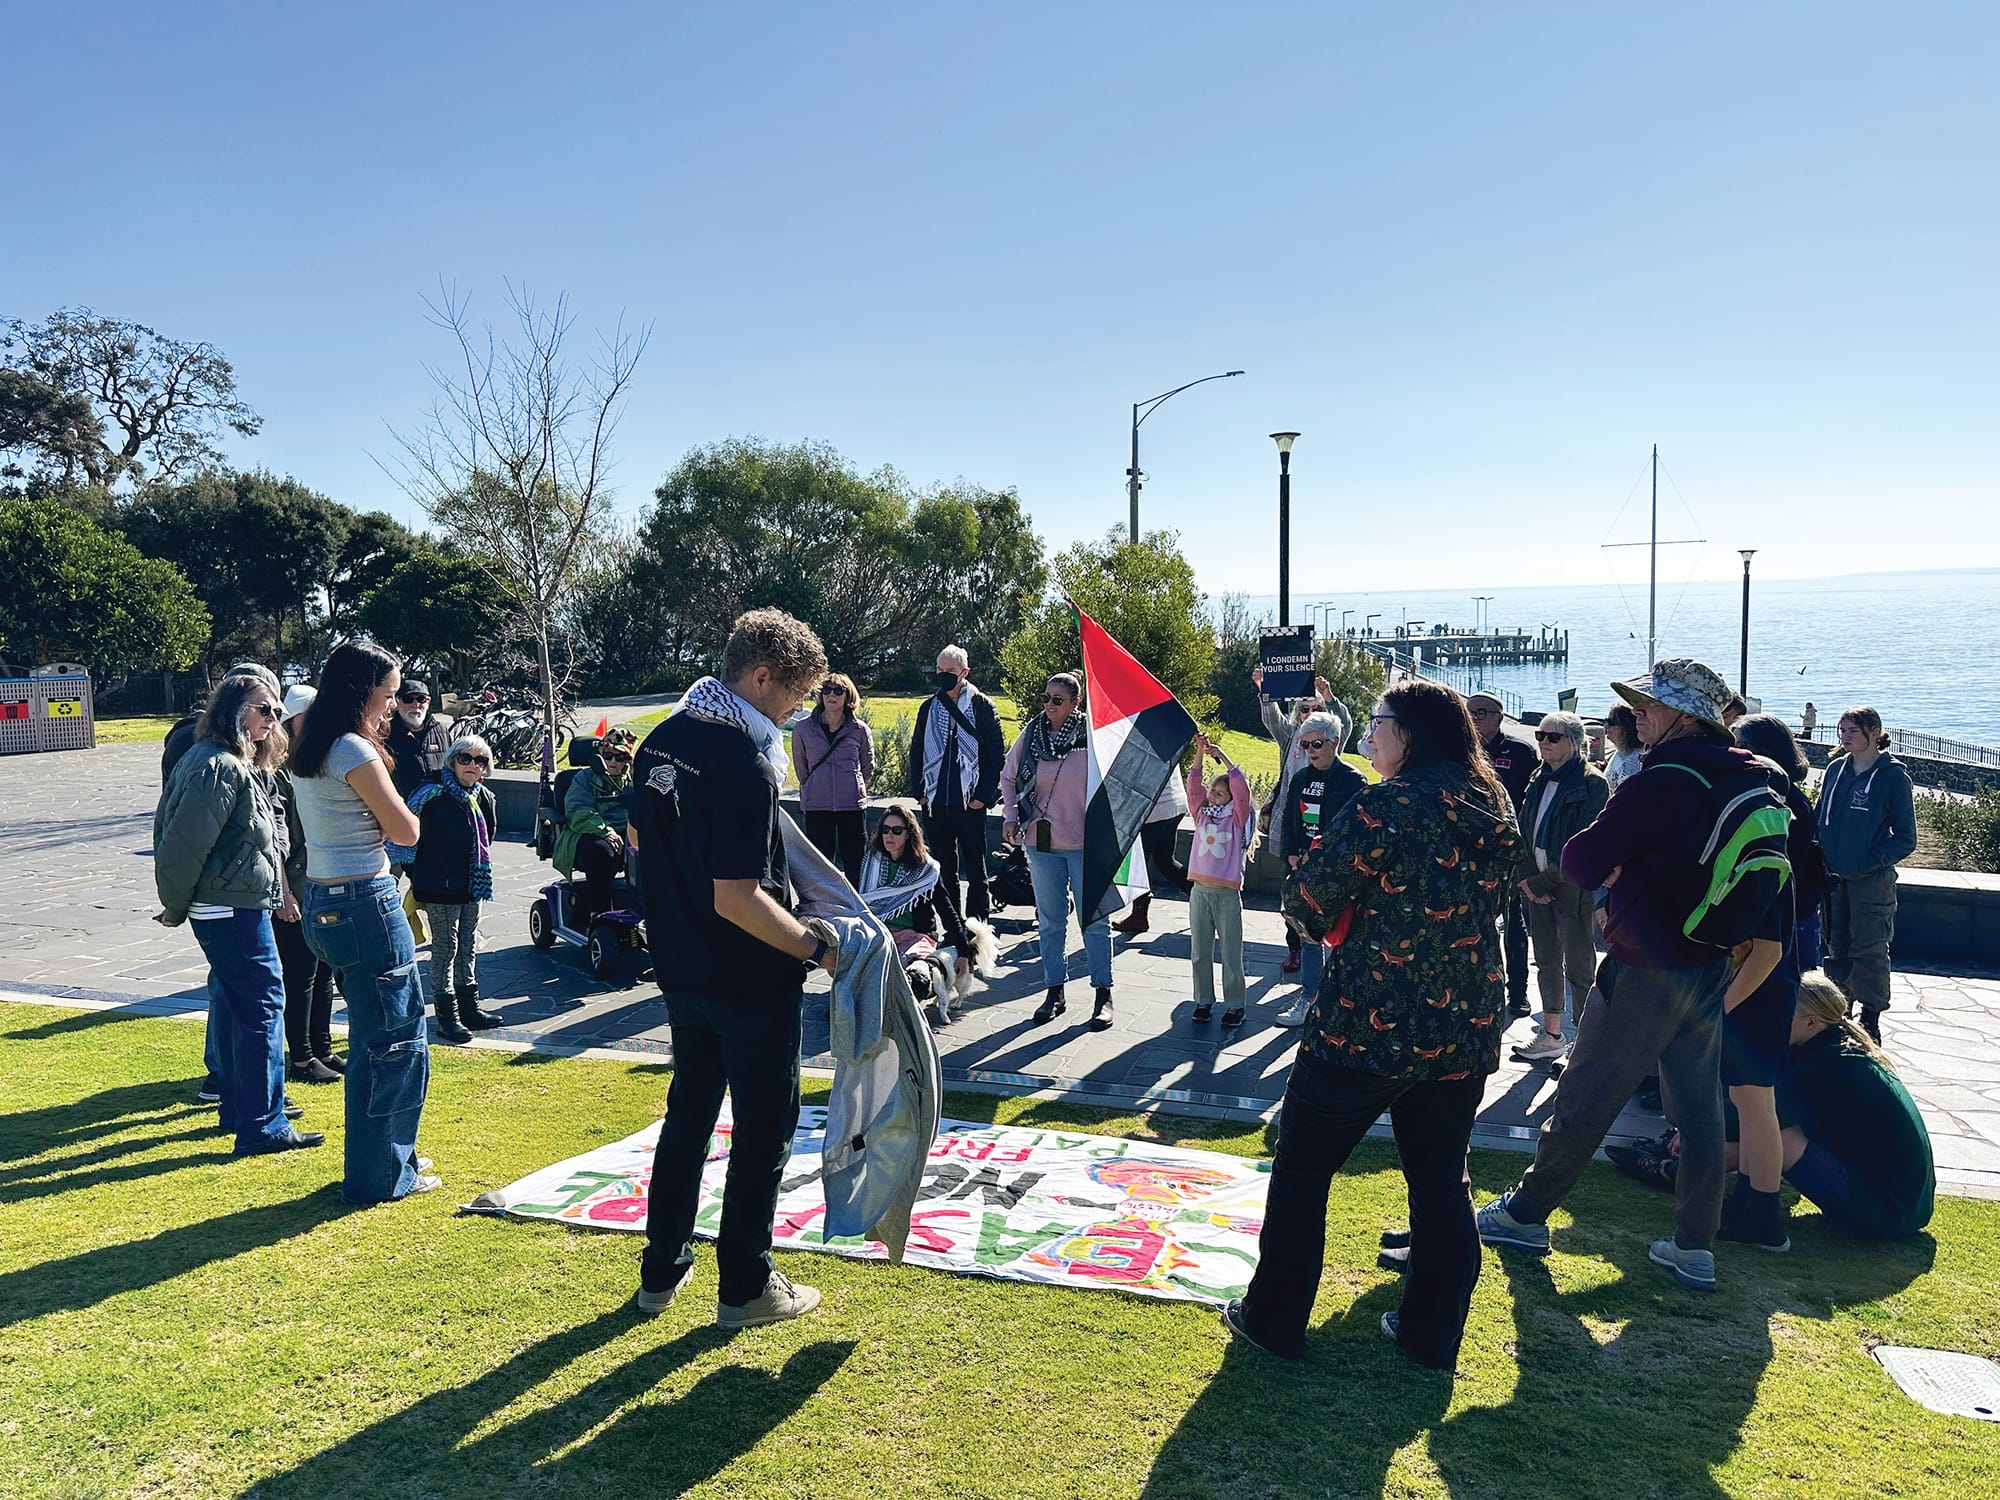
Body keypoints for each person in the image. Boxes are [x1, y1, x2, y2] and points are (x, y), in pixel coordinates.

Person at [1222, 680, 1520, 1369]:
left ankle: (1273, 1320)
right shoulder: (1491, 800)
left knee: (1302, 1167)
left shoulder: (1386, 804)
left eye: (1379, 722)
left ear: (1409, 733)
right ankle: (1430, 1336)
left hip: (1366, 1023)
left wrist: (1320, 904)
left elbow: (1307, 899)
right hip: (1463, 1022)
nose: (1369, 735)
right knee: (1441, 1182)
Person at [1478, 658, 1763, 1294]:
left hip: (1645, 965)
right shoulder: (1745, 772)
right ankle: (1695, 1245)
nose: (1638, 712)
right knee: (1700, 1110)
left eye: (1650, 704)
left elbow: (1581, 860)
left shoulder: (1664, 778)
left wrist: (1618, 866)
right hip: (1711, 962)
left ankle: (1523, 1215)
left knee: (1586, 1094)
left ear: (1684, 716)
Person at [630, 608, 834, 1328]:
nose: (798, 711)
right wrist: (814, 947)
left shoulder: (661, 740)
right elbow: (738, 897)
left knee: (687, 1118)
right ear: (761, 678)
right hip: (748, 978)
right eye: (796, 695)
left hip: (681, 968)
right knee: (762, 1131)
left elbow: (641, 838)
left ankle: (661, 1268)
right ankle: (745, 1285)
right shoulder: (744, 761)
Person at [290, 638, 437, 1202]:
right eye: (389, 694)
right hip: (365, 903)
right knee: (394, 1042)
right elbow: (406, 831)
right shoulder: (353, 748)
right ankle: (382, 1175)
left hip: (324, 901)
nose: (393, 705)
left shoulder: (310, 743)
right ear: (362, 691)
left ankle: (386, 1159)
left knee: (376, 1039)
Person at [153, 672, 321, 1154]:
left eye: (276, 711)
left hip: (233, 904)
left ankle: (242, 1110)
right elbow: (181, 844)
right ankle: (263, 1124)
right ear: (234, 711)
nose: (274, 719)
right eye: (264, 709)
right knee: (262, 1006)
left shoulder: (225, 760)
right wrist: (174, 906)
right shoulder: (219, 765)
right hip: (229, 909)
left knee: (239, 1006)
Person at [1771, 974, 1934, 1238]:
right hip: (1909, 1209)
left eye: (1784, 1011)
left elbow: (1759, 1115)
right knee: (1771, 1124)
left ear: (1811, 1022)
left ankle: (1742, 1202)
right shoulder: (1842, 1049)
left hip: (1886, 1214)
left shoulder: (1826, 1065)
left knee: (1771, 1131)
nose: (1774, 1017)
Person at [1001, 673, 1114, 1029]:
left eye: (1058, 700)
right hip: (1041, 840)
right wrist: (1010, 815)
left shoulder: (1092, 737)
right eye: (1045, 698)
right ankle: (1054, 991)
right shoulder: (1032, 734)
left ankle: (1103, 993)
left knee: (1094, 920)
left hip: (1086, 844)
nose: (1049, 705)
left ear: (1075, 703)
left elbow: (1115, 780)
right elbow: (1009, 775)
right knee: (1050, 921)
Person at [390, 733, 502, 1044]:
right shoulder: (431, 795)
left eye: (480, 760)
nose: (472, 765)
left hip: (472, 884)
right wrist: (422, 876)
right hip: (439, 886)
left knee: (468, 945)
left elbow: (488, 837)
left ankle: (470, 1008)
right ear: (452, 761)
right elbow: (406, 843)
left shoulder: (483, 797)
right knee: (445, 948)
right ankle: (447, 1017)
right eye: (465, 758)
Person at [1511, 711, 1609, 1062]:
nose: (1544, 742)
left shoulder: (1593, 783)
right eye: (1540, 735)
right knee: (1546, 961)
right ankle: (1551, 1035)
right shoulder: (1539, 777)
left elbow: (1584, 842)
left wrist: (1542, 881)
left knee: (1580, 968)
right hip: (1536, 887)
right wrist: (1527, 880)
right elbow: (1524, 830)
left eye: (1553, 737)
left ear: (1574, 742)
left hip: (1572, 889)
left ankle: (1584, 1045)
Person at [1818, 705, 1917, 1043]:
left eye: (1853, 731)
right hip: (1833, 879)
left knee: (1870, 947)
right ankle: (1839, 1010)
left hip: (1871, 882)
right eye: (1842, 730)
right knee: (1837, 945)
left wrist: (1868, 862)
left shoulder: (1893, 777)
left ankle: (1871, 1017)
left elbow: (1906, 838)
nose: (1845, 737)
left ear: (1875, 733)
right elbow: (1820, 817)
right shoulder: (1836, 770)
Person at [1254, 667, 1352, 974]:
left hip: (1325, 835)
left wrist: (1330, 697)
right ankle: (1295, 948)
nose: (1309, 713)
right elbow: (1272, 719)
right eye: (1304, 709)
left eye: (1315, 709)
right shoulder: (1291, 738)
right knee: (1292, 894)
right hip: (1295, 830)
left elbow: (1345, 723)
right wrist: (1264, 688)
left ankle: (1328, 956)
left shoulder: (1330, 741)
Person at [1274, 710, 1367, 1028]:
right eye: (1305, 745)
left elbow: (1357, 831)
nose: (1310, 751)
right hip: (1304, 872)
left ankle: (1339, 1004)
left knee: (1341, 939)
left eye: (1316, 744)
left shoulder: (1353, 780)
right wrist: (1289, 855)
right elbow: (1289, 820)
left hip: (1337, 876)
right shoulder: (1301, 778)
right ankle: (1309, 998)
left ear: (1335, 742)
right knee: (1309, 938)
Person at [272, 684, 341, 1085]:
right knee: (300, 975)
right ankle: (301, 1058)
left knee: (324, 970)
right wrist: (284, 893)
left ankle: (322, 1049)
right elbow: (275, 840)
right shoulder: (277, 769)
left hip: (321, 881)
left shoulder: (318, 760)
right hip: (295, 887)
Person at [907, 645, 1006, 922]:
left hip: (969, 801)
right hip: (936, 801)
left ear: (964, 672)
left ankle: (977, 926)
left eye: (949, 670)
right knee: (943, 867)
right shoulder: (929, 707)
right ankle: (953, 926)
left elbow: (997, 754)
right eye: (939, 670)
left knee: (975, 867)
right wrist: (920, 792)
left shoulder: (982, 706)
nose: (943, 675)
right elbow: (917, 750)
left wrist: (982, 796)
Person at [858, 799, 975, 1022]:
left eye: (897, 831)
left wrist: (964, 952)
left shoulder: (925, 870)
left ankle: (895, 1013)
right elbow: (861, 904)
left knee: (904, 969)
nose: (889, 836)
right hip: (880, 932)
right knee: (851, 958)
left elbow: (946, 909)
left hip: (916, 936)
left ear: (909, 834)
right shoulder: (872, 862)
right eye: (885, 830)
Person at [1468, 692, 1537, 1018]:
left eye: (1481, 712)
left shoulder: (1520, 752)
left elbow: (1531, 800)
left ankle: (1519, 993)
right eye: (1470, 712)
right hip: (1471, 852)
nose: (1475, 718)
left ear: (1499, 716)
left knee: (1513, 925)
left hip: (1509, 852)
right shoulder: (1461, 750)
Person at [1184, 736, 1256, 1027]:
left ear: (1231, 799)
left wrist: (1222, 755)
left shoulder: (1237, 819)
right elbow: (1193, 785)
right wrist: (1200, 753)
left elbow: (1242, 788)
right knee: (1200, 951)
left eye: (1220, 793)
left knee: (1230, 953)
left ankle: (1235, 1005)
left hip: (1226, 894)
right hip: (1200, 891)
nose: (1213, 796)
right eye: (1212, 791)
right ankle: (1203, 1000)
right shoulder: (1201, 814)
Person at [791, 671, 875, 886]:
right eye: (826, 690)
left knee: (856, 862)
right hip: (817, 804)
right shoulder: (802, 729)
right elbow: (801, 768)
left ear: (848, 696)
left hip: (851, 805)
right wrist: (813, 785)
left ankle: (858, 902)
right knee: (820, 864)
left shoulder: (859, 730)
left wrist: (851, 784)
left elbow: (867, 767)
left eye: (838, 690)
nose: (831, 695)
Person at [555, 727, 637, 924]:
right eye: (608, 756)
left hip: (628, 829)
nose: (613, 762)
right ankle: (599, 912)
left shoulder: (634, 779)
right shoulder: (583, 778)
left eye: (620, 757)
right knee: (601, 853)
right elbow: (577, 812)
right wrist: (606, 831)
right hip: (588, 831)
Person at [1109, 768, 1188, 936]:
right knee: (1164, 860)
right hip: (1174, 802)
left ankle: (1139, 916)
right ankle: (1203, 897)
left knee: (1138, 866)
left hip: (1154, 811)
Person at [385, 679, 455, 800]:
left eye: (421, 699)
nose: (415, 705)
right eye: (408, 699)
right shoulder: (385, 734)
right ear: (397, 702)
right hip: (404, 806)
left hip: (440, 804)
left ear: (428, 702)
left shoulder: (442, 730)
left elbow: (452, 767)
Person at [1602, 703, 1643, 796]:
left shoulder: (1631, 765)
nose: (1606, 727)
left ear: (1626, 728)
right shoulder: (1622, 750)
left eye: (1611, 723)